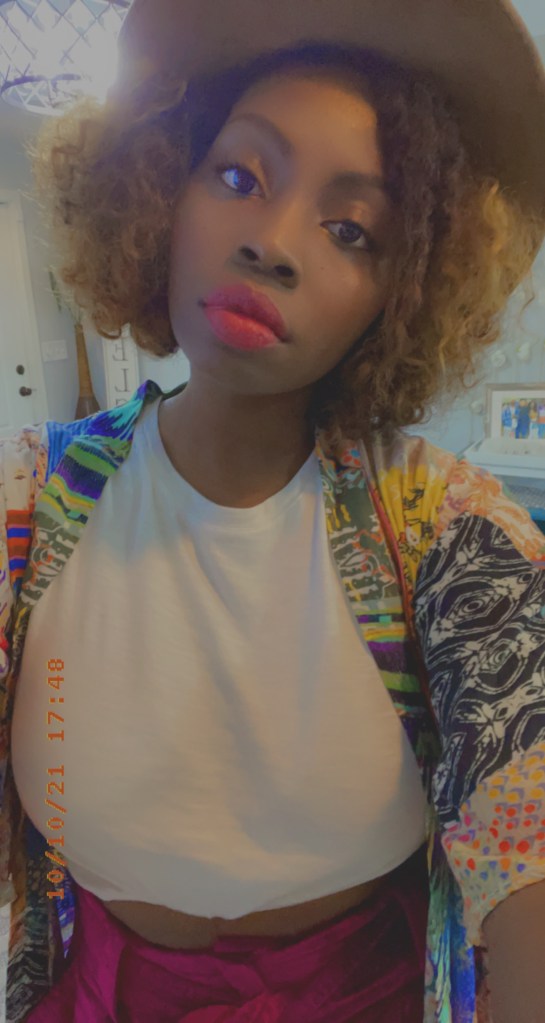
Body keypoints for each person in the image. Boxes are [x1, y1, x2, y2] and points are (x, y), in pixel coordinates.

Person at [1, 1, 545, 1021]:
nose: (272, 244)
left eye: (350, 230)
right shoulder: (31, 503)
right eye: (240, 177)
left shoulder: (446, 530)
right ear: (160, 192)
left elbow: (525, 819)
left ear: (401, 293)